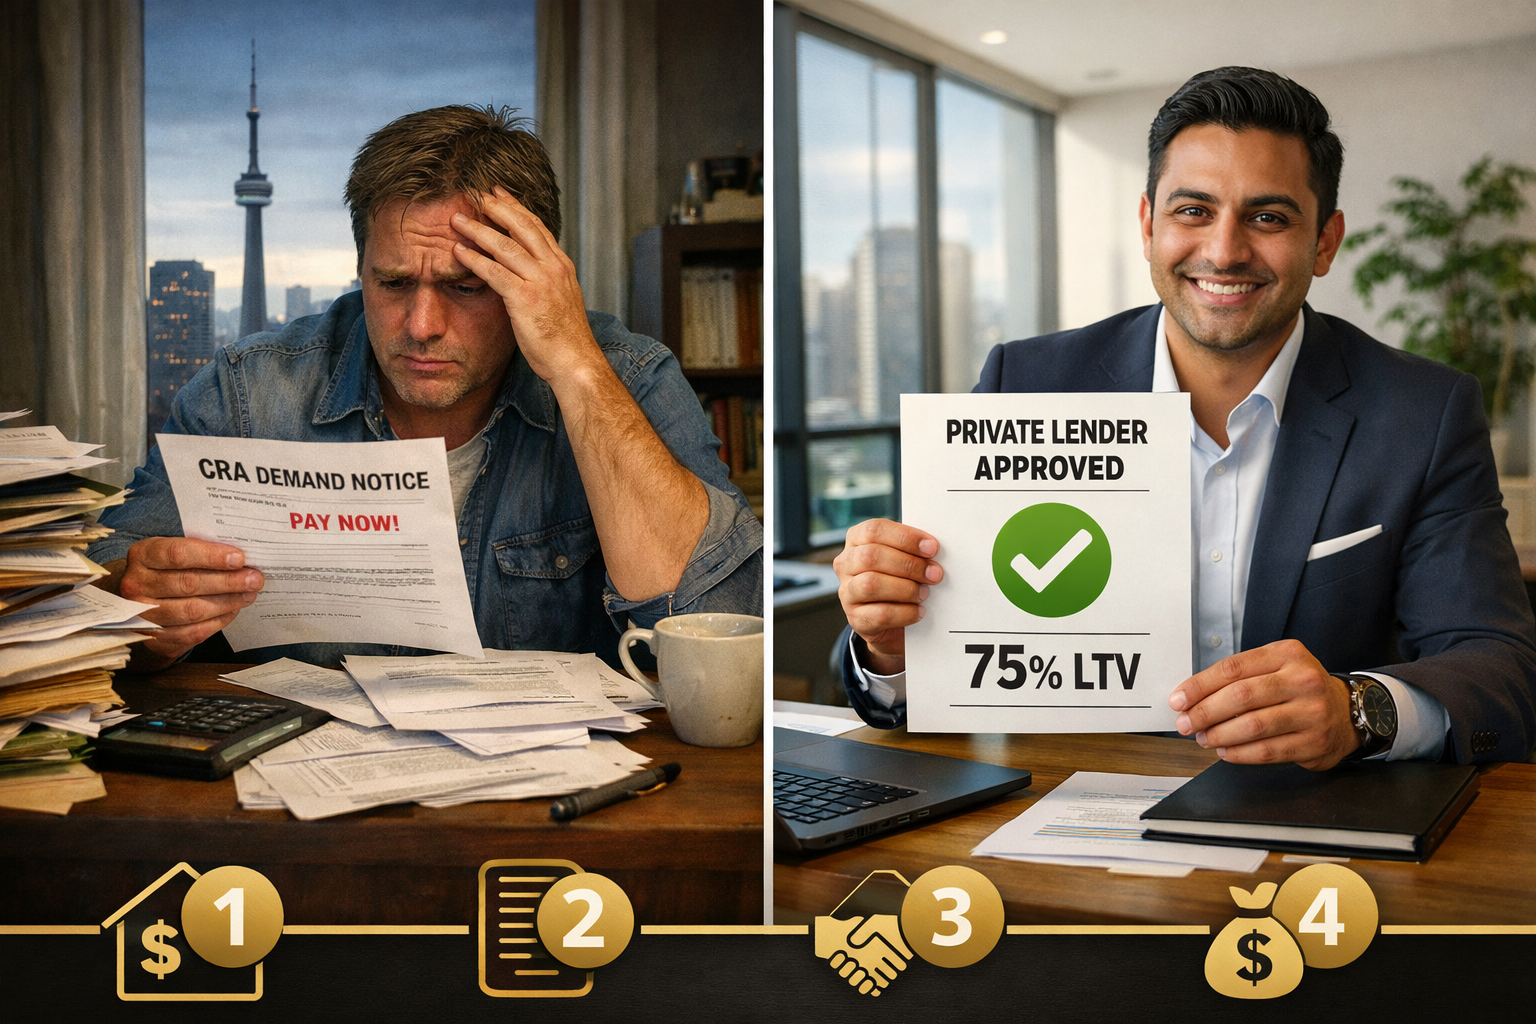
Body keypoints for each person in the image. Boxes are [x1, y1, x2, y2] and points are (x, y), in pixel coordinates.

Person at [834, 67, 1536, 768]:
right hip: (1059, 811)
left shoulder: (1424, 412)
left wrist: (1356, 711)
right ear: (1148, 225)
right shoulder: (1025, 383)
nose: (1225, 250)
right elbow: (923, 676)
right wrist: (894, 647)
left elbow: (1501, 669)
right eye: (1193, 211)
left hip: (1311, 830)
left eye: (1268, 217)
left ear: (1324, 242)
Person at [91, 105, 762, 670]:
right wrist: (137, 604)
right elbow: (102, 607)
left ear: (536, 279)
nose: (421, 325)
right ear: (359, 268)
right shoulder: (248, 390)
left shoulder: (631, 379)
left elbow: (719, 629)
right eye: (392, 283)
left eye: (466, 288)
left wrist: (576, 368)